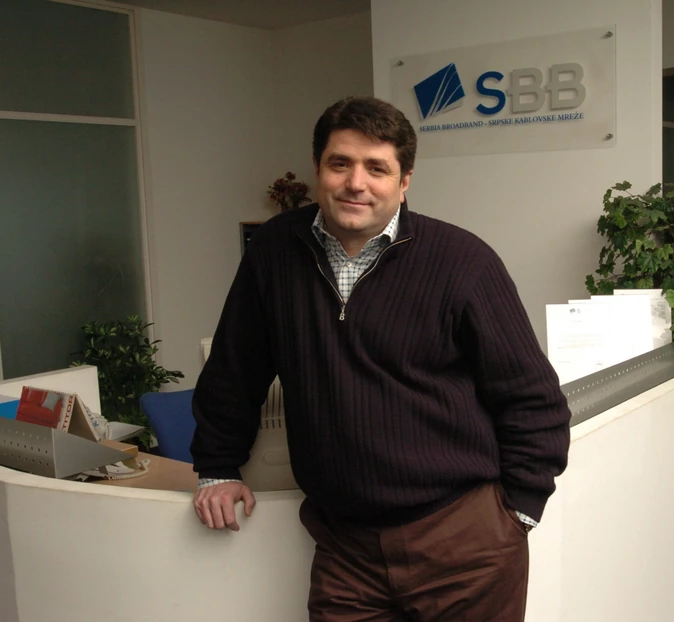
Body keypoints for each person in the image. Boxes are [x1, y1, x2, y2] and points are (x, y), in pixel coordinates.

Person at [190, 95, 571, 621]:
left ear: (404, 180)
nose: (356, 183)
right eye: (340, 163)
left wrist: (517, 513)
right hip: (345, 550)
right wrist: (216, 465)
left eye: (377, 168)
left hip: (464, 539)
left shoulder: (464, 261)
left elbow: (531, 398)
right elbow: (237, 366)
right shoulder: (275, 251)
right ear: (318, 167)